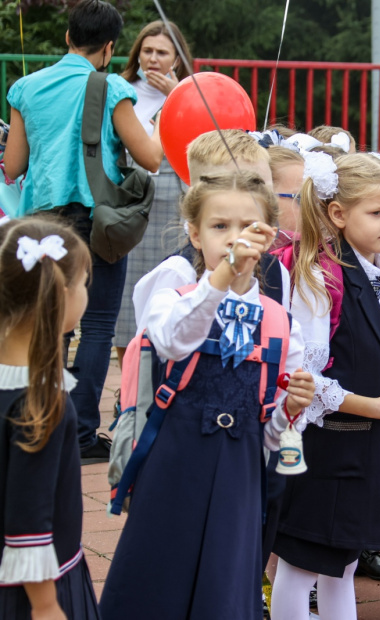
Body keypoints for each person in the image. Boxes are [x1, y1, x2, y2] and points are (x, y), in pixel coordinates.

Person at [99, 171, 315, 619]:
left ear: (269, 237)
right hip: (172, 463)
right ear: (194, 233)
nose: (233, 239)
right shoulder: (172, 299)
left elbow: (273, 435)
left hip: (240, 472)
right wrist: (220, 277)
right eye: (220, 227)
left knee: (225, 581)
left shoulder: (278, 320)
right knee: (156, 577)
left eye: (246, 227)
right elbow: (175, 340)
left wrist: (292, 409)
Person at [3, 0, 163, 465]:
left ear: (68, 37)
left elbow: (13, 166)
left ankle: (39, 417)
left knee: (44, 322)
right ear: (110, 47)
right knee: (95, 325)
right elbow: (150, 158)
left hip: (38, 226)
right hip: (96, 224)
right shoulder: (111, 86)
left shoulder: (26, 87)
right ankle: (83, 431)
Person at [270, 153, 380, 620]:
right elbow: (305, 377)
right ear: (338, 214)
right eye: (376, 213)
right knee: (301, 565)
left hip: (366, 447)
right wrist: (373, 407)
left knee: (343, 563)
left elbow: (379, 341)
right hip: (328, 447)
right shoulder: (320, 277)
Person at [0, 217, 96, 619]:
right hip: (36, 586)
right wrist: (45, 605)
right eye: (85, 284)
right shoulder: (44, 401)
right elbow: (29, 515)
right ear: (62, 294)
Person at [131, 129, 289, 337]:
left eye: (262, 189)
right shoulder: (177, 273)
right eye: (221, 225)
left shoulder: (277, 271)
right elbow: (150, 351)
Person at [114, 20, 192, 362]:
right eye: (147, 51)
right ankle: (126, 382)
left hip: (171, 200)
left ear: (177, 58)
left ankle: (159, 372)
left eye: (162, 52)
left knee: (168, 288)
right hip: (128, 199)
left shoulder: (189, 92)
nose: (154, 59)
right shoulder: (121, 89)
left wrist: (177, 96)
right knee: (125, 299)